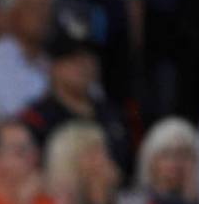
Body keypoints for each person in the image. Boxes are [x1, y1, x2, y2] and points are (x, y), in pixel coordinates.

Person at [20, 33, 130, 173]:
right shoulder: (37, 118)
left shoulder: (112, 112)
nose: (84, 65)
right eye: (73, 59)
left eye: (89, 58)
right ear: (53, 67)